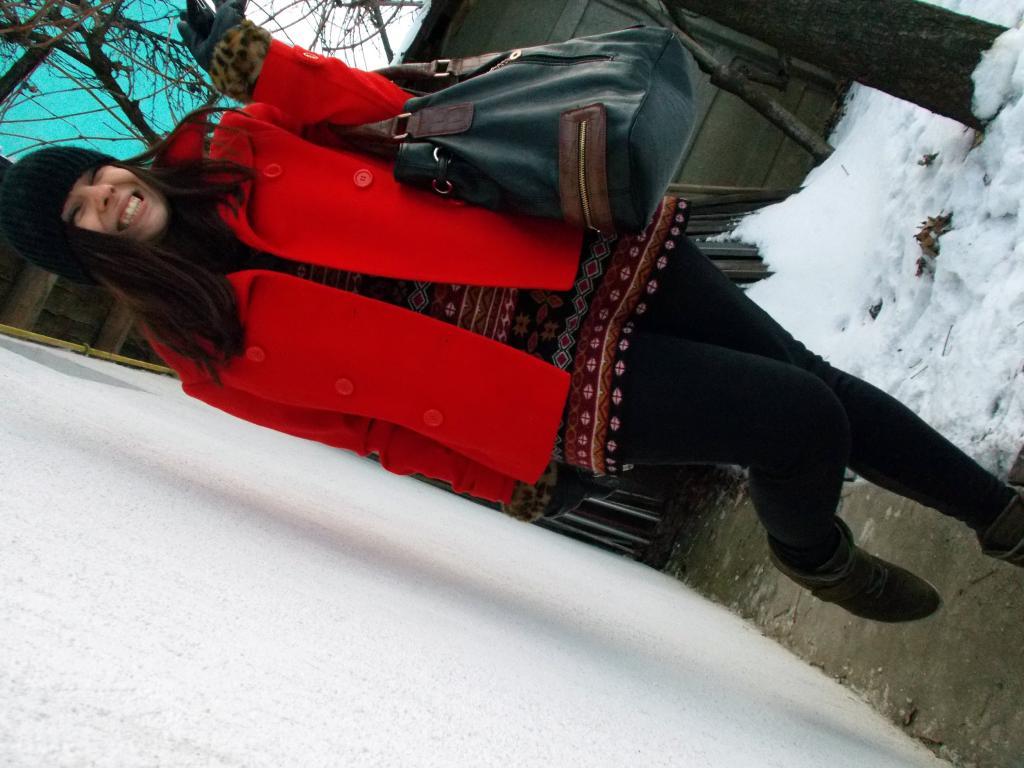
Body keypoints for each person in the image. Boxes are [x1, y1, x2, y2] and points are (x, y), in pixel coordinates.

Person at [0, 0, 1020, 624]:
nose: (105, 198)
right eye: (83, 216)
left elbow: (371, 109)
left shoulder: (236, 141)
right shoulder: (202, 355)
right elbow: (365, 431)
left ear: (109, 163)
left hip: (573, 253)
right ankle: (812, 554)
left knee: (818, 384)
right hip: (540, 388)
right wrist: (502, 482)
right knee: (797, 419)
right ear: (90, 253)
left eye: (91, 177)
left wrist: (255, 59)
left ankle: (999, 519)